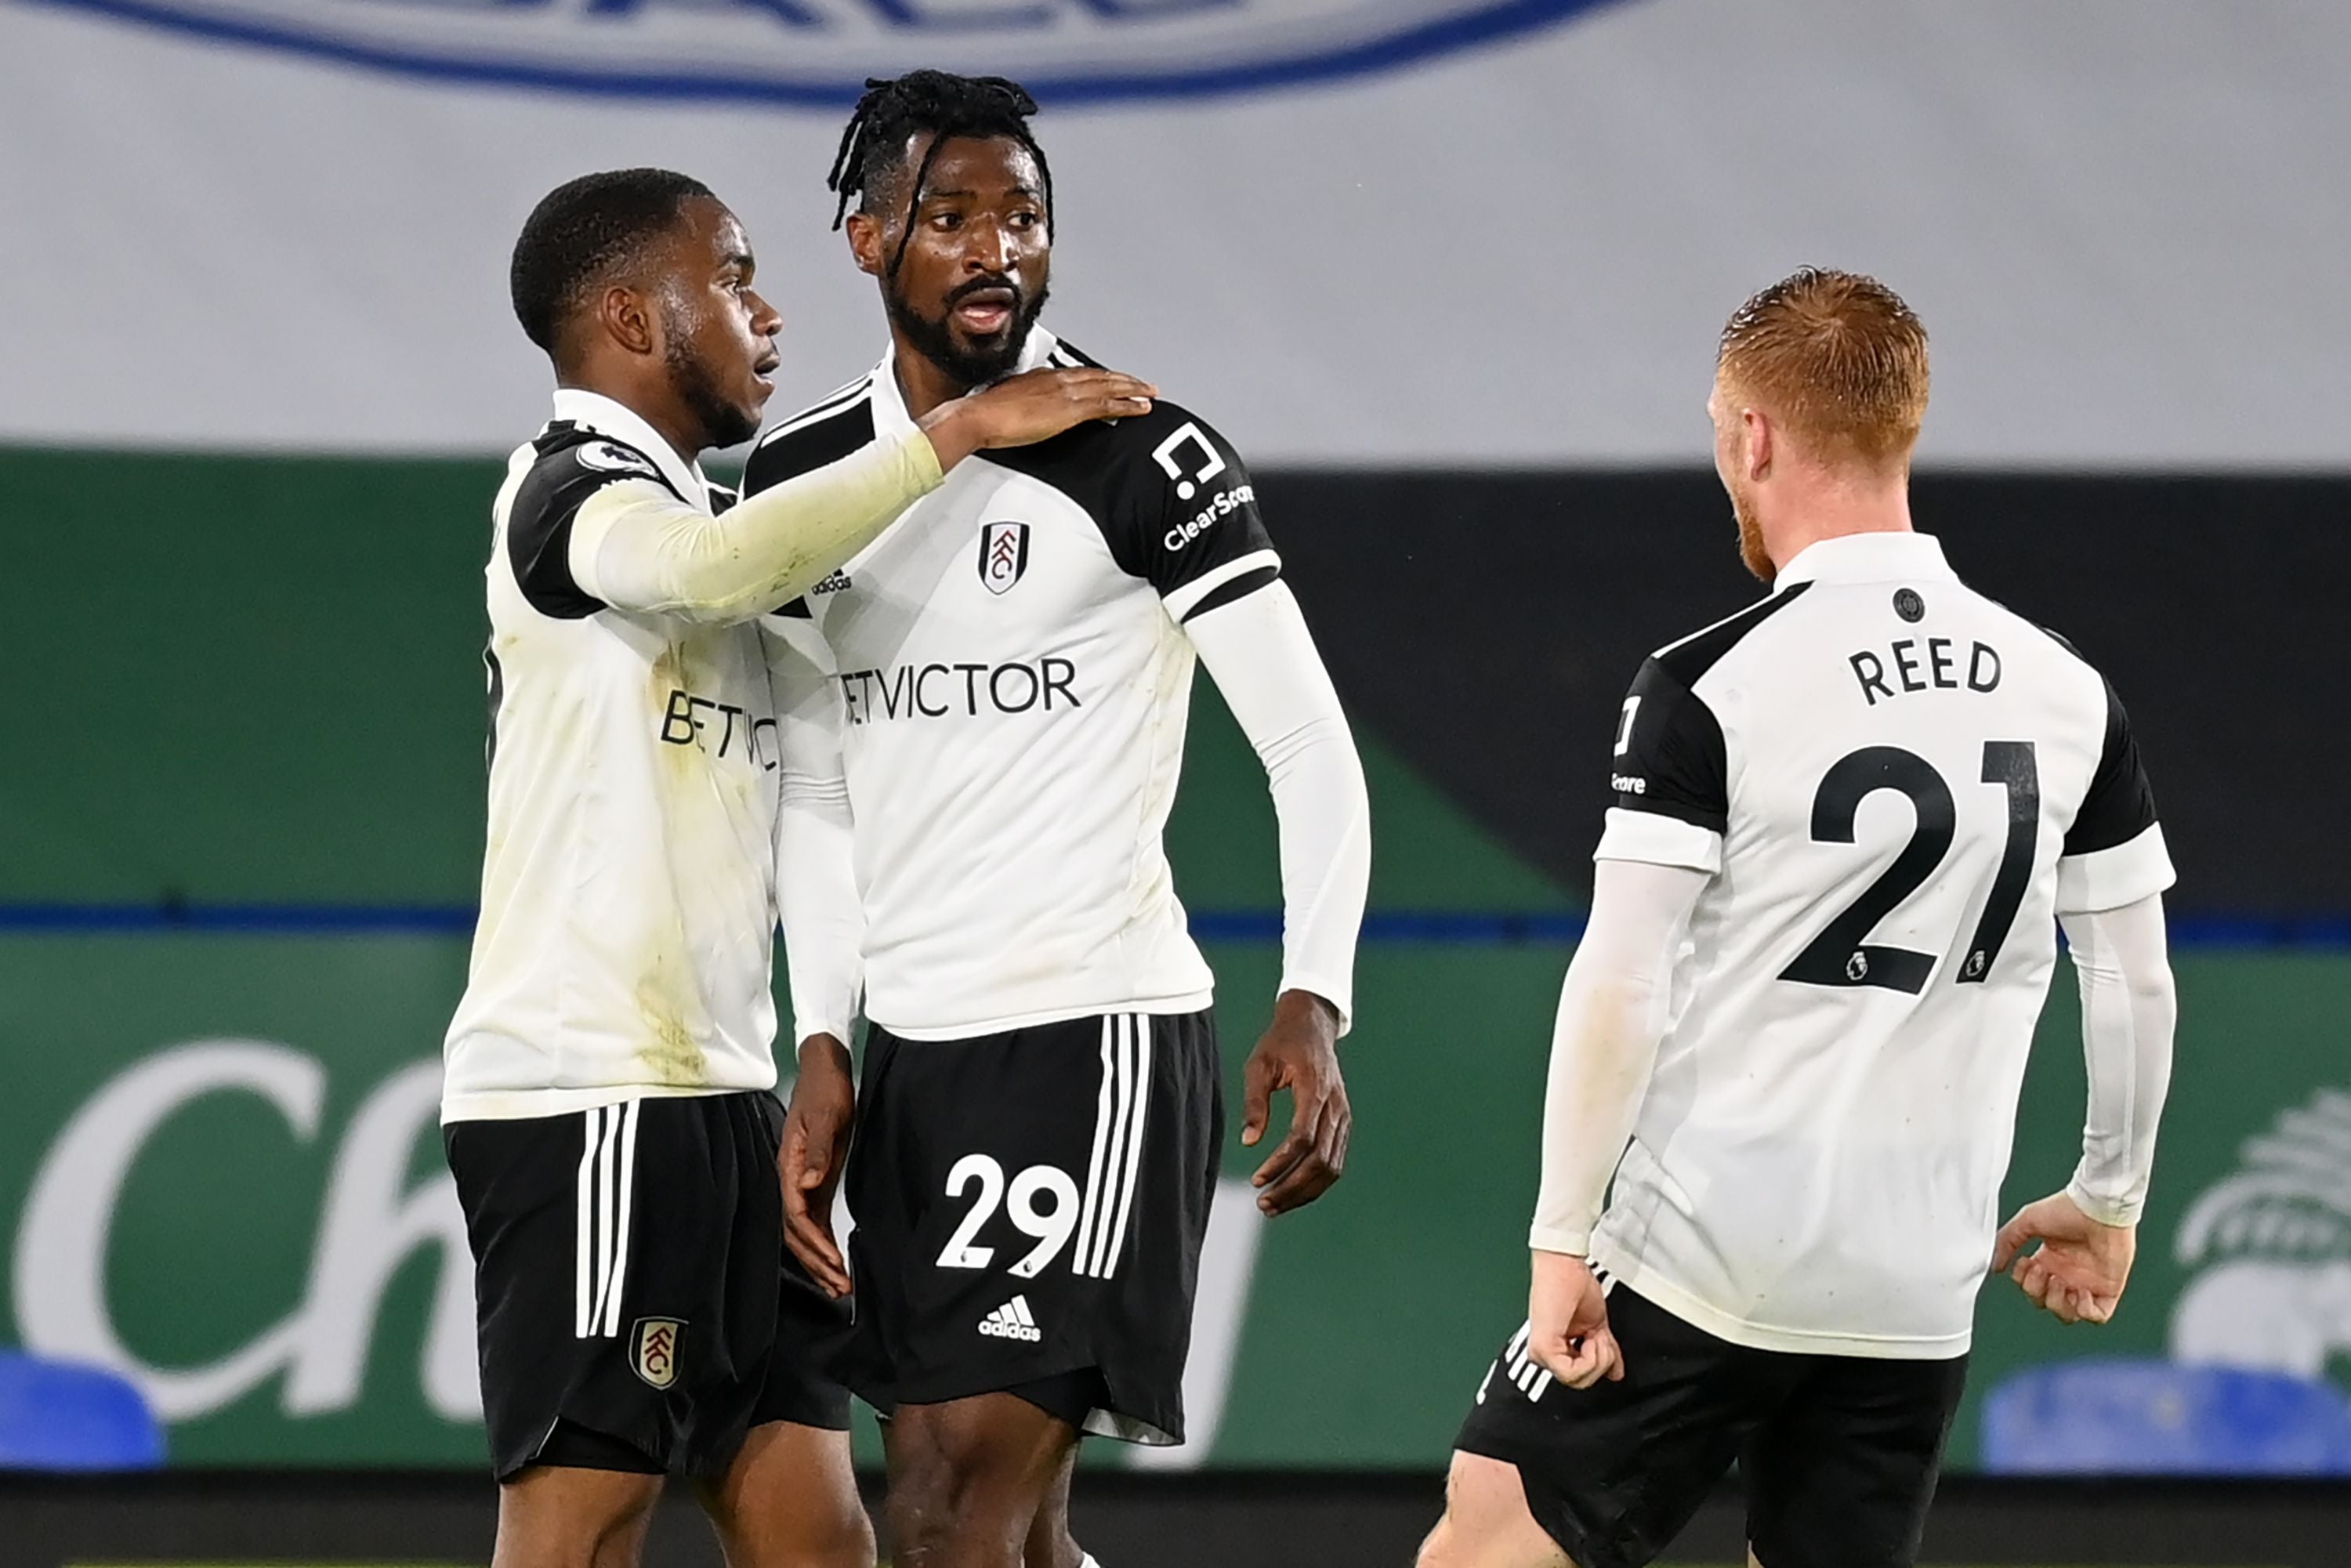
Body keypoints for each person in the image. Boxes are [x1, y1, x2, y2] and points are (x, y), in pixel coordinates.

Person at [439, 166, 1154, 1568]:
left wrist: (819, 1042)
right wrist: (950, 437)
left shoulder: (718, 534)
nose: (770, 313)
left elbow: (812, 779)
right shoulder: (566, 493)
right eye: (737, 276)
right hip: (589, 1099)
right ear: (638, 317)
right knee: (579, 1539)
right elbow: (717, 571)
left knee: (824, 1547)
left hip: (724, 1102)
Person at [1418, 268, 2179, 1568]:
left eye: (1722, 432)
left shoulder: (1711, 682)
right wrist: (2110, 1195)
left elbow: (1623, 976)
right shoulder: (2066, 689)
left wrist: (1560, 1233)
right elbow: (2133, 979)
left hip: (1707, 1249)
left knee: (1485, 1539)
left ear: (1752, 436)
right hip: (1915, 1284)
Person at [741, 72, 1373, 1568]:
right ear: (865, 235)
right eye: (951, 217)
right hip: (915, 1050)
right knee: (1007, 1535)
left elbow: (1307, 743)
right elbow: (816, 790)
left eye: (1023, 217)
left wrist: (1315, 992)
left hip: (1090, 1030)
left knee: (949, 1507)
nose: (995, 251)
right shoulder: (792, 480)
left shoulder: (1145, 452)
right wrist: (824, 1033)